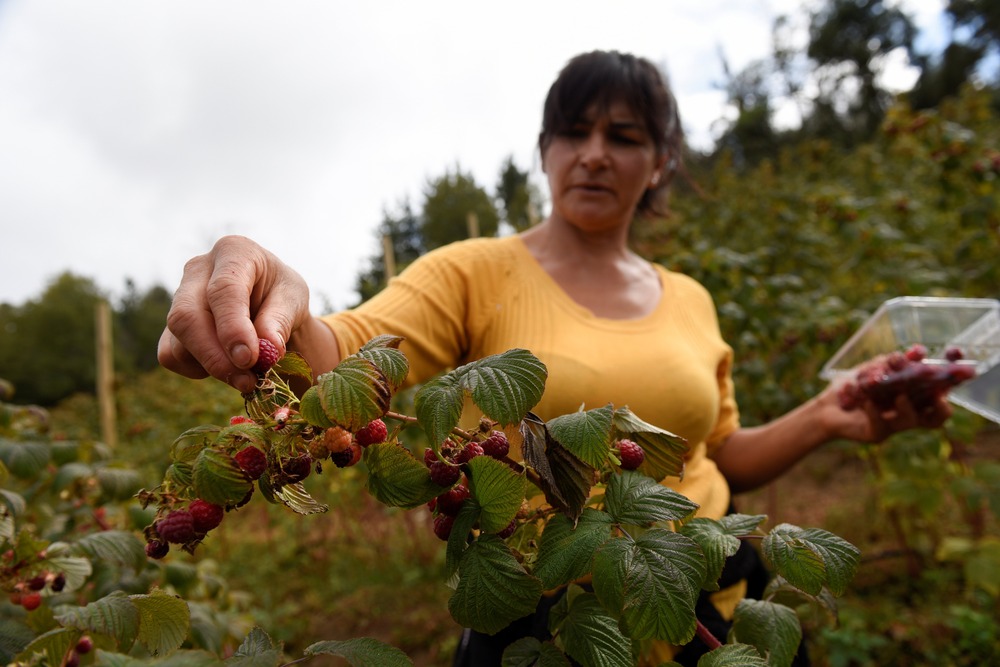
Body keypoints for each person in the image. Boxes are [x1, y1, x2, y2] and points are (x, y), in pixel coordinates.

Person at [158, 50, 952, 666]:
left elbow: (718, 456)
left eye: (626, 136)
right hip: (546, 614)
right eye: (574, 132)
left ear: (662, 162)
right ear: (544, 151)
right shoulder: (471, 271)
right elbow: (346, 353)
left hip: (709, 598)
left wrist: (827, 414)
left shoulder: (692, 298)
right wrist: (268, 296)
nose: (595, 154)